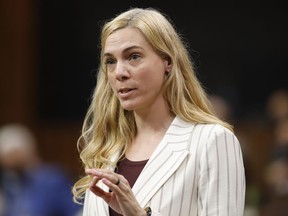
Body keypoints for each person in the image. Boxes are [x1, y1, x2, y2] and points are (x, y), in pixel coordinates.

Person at [72, 7, 246, 216]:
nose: (119, 72)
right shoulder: (105, 149)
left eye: (134, 56)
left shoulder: (212, 141)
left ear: (168, 62)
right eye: (110, 61)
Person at [0, 123, 82, 216]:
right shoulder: (9, 182)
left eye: (12, 155)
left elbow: (76, 211)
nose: (7, 161)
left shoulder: (52, 180)